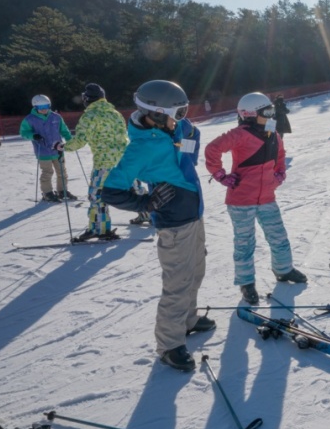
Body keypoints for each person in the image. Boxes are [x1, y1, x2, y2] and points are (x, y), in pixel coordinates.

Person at [101, 80, 211, 372]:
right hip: (174, 225)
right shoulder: (141, 148)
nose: (183, 118)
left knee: (196, 272)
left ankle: (188, 320)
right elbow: (110, 190)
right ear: (158, 113)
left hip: (194, 216)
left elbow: (191, 142)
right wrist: (145, 204)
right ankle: (169, 345)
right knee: (177, 284)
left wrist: (186, 140)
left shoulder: (174, 129)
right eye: (179, 112)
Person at [205, 92, 307, 305]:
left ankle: (284, 270)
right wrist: (220, 175)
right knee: (244, 243)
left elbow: (280, 154)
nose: (271, 114)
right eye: (267, 111)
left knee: (278, 236)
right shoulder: (240, 134)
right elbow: (212, 149)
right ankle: (246, 282)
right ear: (250, 114)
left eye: (271, 110)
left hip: (267, 197)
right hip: (241, 200)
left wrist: (279, 173)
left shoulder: (272, 132)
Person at [63, 83, 128, 242]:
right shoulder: (115, 113)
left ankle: (99, 229)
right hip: (123, 159)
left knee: (97, 195)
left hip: (104, 162)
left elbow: (80, 140)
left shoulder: (90, 116)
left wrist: (63, 146)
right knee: (131, 186)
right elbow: (123, 135)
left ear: (87, 99)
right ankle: (148, 214)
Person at [19, 94, 75, 203]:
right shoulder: (30, 119)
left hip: (58, 149)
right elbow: (24, 132)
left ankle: (62, 191)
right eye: (40, 107)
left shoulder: (56, 117)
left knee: (62, 172)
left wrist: (70, 140)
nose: (44, 109)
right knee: (47, 172)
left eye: (46, 106)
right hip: (43, 151)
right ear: (35, 107)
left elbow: (64, 130)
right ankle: (47, 193)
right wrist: (33, 135)